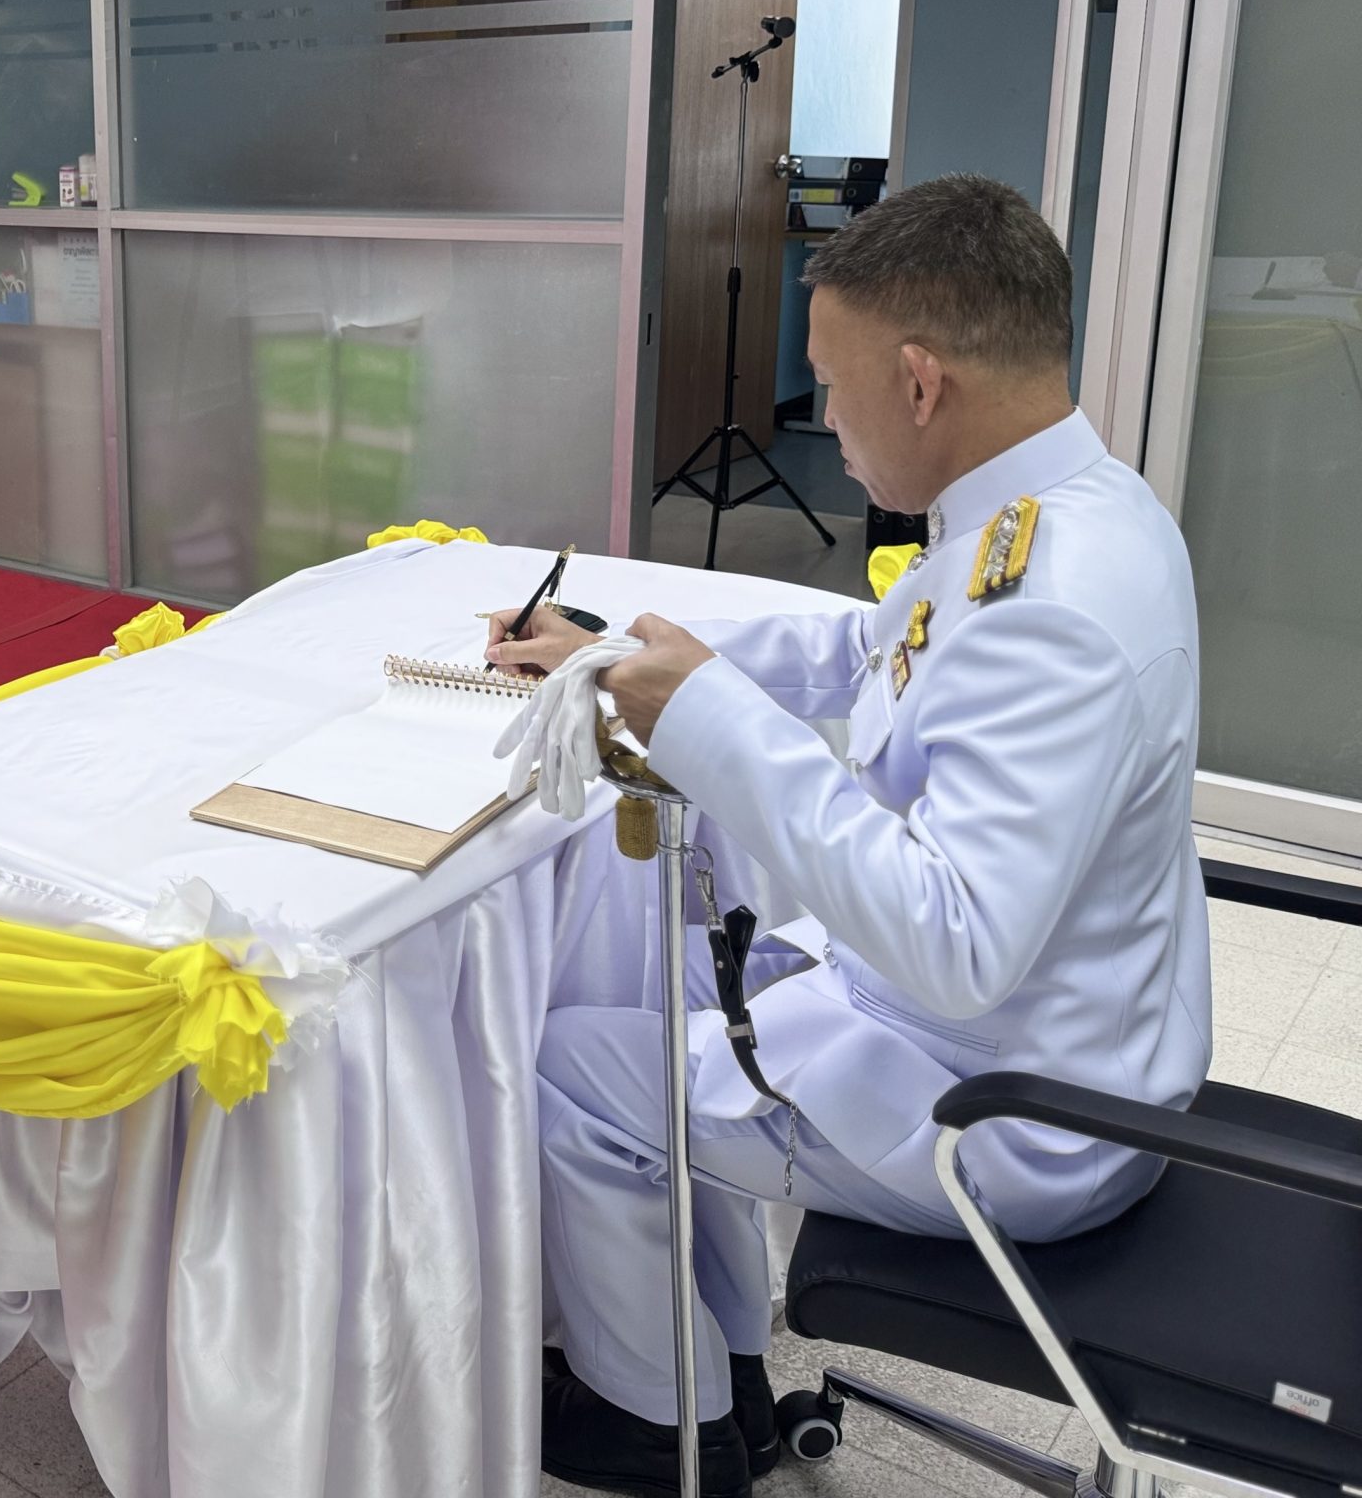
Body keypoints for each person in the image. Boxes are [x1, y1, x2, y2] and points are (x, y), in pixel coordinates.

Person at [489, 175, 1209, 1498]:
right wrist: (623, 649)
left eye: (830, 383)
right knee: (644, 993)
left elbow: (958, 946)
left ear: (919, 383)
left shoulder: (1049, 604)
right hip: (1044, 1033)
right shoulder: (1059, 512)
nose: (821, 417)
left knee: (570, 1071)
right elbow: (874, 649)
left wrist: (703, 717)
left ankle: (657, 1422)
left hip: (1011, 1110)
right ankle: (714, 1362)